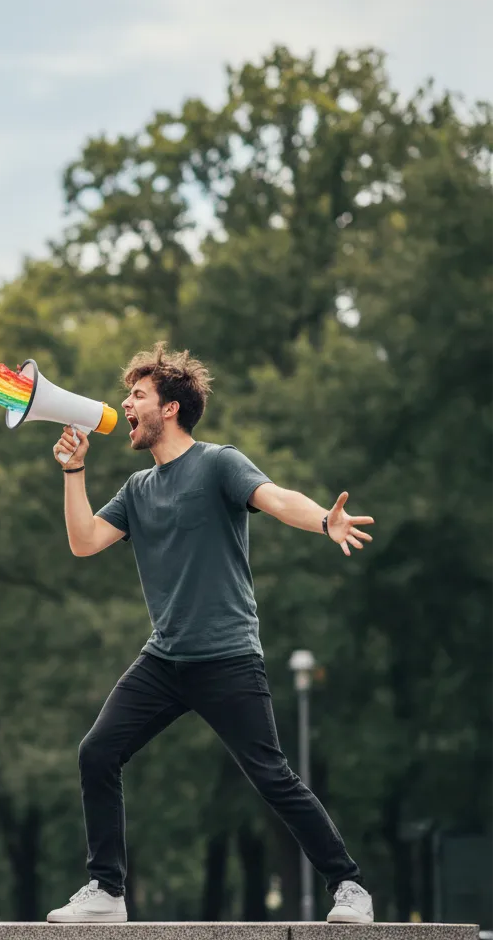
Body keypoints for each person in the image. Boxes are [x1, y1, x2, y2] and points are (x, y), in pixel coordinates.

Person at [46, 343, 376, 925]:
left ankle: (349, 886)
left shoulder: (219, 464)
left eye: (137, 396)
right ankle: (106, 890)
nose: (126, 404)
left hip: (227, 657)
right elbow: (83, 542)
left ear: (169, 408)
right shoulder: (137, 490)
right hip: (164, 660)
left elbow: (276, 499)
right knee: (97, 751)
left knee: (273, 776)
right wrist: (74, 472)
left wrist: (325, 518)